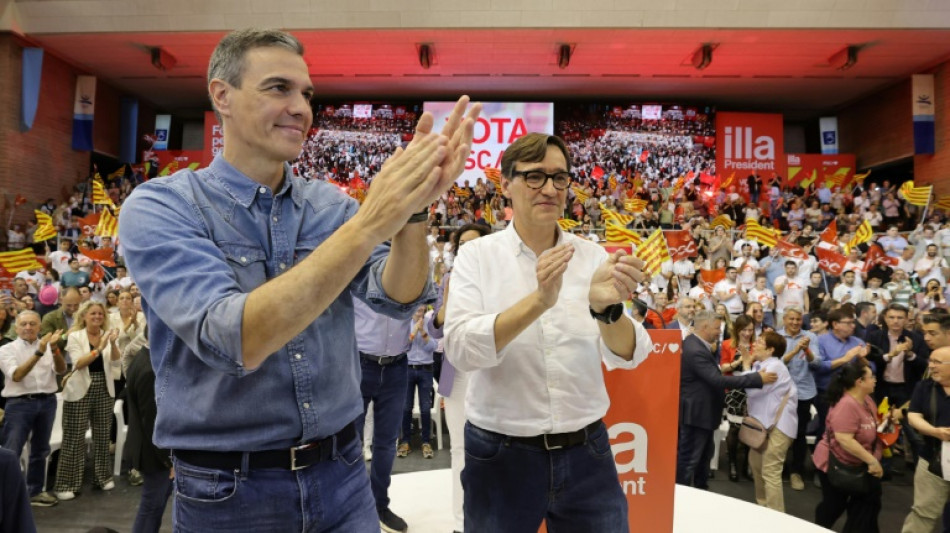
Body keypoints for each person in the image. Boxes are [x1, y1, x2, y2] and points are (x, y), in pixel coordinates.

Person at [118, 28, 480, 532]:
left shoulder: (329, 205)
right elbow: (235, 339)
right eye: (278, 88)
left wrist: (413, 215)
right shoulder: (162, 206)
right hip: (230, 493)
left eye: (306, 93)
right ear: (222, 96)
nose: (301, 107)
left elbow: (397, 297)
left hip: (344, 474)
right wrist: (371, 222)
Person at [445, 132, 652, 532]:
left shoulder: (592, 257)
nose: (550, 189)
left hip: (588, 450)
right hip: (501, 452)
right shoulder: (477, 256)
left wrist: (606, 310)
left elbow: (630, 354)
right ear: (505, 184)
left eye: (560, 178)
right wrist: (539, 301)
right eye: (535, 176)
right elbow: (460, 349)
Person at [426, 223, 490, 533]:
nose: (465, 249)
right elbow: (435, 328)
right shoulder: (449, 280)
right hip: (458, 373)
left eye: (472, 243)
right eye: (460, 244)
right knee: (459, 451)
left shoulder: (501, 278)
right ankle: (460, 523)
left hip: (493, 371)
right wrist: (448, 302)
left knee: (499, 450)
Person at [678, 310, 775, 489]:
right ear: (705, 327)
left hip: (702, 413)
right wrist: (757, 379)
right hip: (696, 414)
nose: (719, 332)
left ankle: (700, 492)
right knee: (689, 460)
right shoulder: (695, 349)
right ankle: (680, 501)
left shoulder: (696, 344)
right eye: (716, 328)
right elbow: (717, 379)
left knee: (704, 458)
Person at [53, 301, 120, 501]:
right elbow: (79, 363)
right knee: (74, 438)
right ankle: (67, 483)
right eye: (93, 314)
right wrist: (99, 348)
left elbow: (116, 362)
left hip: (104, 388)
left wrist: (113, 344)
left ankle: (102, 477)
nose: (97, 317)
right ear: (84, 316)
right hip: (79, 389)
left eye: (100, 314)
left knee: (101, 436)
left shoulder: (107, 335)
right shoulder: (75, 336)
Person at [0, 312, 65, 507]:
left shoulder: (48, 346)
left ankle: (35, 491)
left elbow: (61, 370)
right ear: (16, 327)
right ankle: (6, 495)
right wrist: (39, 352)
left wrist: (54, 350)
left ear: (39, 327)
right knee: (12, 451)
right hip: (19, 404)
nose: (28, 327)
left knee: (41, 450)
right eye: (24, 324)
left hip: (47, 401)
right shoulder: (6, 350)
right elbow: (17, 375)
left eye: (32, 324)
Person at [812, 360, 884, 532]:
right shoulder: (846, 405)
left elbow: (873, 423)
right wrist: (872, 461)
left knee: (868, 505)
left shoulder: (867, 400)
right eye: (871, 377)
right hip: (837, 464)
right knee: (833, 507)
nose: (875, 380)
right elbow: (844, 439)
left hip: (861, 464)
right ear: (859, 382)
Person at [743, 331, 797, 512]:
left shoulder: (775, 367)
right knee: (756, 465)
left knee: (770, 470)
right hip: (763, 426)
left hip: (779, 427)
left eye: (759, 341)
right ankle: (762, 508)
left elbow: (751, 390)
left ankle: (776, 517)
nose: (754, 344)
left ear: (770, 349)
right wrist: (748, 365)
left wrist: (745, 364)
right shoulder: (760, 364)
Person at [125, 337, 174, 533]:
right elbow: (152, 421)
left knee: (154, 505)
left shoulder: (143, 359)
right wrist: (168, 461)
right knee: (152, 507)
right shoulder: (149, 370)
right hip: (153, 454)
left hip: (151, 450)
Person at [902, 346, 950, 533]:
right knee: (923, 514)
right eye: (931, 361)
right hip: (931, 461)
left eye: (937, 362)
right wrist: (935, 432)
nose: (931, 366)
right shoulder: (924, 387)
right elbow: (913, 415)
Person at [778, 307, 821, 492]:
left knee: (800, 433)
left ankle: (796, 472)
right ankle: (777, 469)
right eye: (792, 319)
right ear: (785, 319)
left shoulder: (811, 337)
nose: (795, 322)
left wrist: (807, 351)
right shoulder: (777, 336)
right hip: (780, 392)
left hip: (804, 391)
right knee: (778, 432)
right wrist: (796, 350)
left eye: (798, 319)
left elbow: (817, 363)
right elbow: (775, 363)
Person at [719, 314, 756, 482]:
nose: (747, 333)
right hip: (734, 389)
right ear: (737, 330)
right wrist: (740, 360)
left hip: (753, 391)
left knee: (750, 427)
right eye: (744, 330)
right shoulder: (728, 345)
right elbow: (723, 368)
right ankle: (733, 462)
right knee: (734, 428)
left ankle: (746, 463)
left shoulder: (757, 345)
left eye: (750, 330)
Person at [397, 306, 438, 459]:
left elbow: (433, 346)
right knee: (406, 407)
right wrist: (414, 331)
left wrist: (422, 331)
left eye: (422, 308)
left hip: (426, 369)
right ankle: (405, 441)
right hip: (407, 369)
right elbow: (402, 346)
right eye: (417, 308)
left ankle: (426, 442)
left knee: (425, 407)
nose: (419, 310)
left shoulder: (430, 323)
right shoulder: (404, 322)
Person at [39, 287, 81, 353]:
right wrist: (65, 336)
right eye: (69, 305)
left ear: (80, 299)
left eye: (76, 305)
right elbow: (46, 344)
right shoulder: (50, 318)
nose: (72, 308)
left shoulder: (85, 316)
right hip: (60, 360)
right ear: (61, 300)